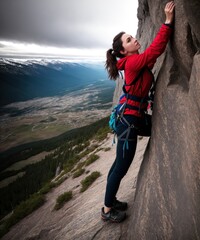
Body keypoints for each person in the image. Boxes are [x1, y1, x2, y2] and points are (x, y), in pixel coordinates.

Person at [101, 1, 175, 223]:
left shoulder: (129, 62)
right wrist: (168, 22)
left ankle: (110, 200)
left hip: (133, 119)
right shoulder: (132, 62)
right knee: (121, 166)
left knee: (119, 164)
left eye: (132, 36)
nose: (134, 39)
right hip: (129, 124)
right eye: (129, 40)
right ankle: (106, 210)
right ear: (123, 51)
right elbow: (155, 50)